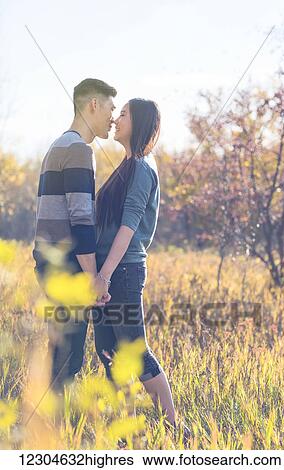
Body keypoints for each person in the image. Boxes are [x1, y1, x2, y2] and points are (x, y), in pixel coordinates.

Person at [94, 98, 181, 434]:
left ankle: (175, 429)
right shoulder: (126, 166)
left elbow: (128, 228)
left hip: (123, 272)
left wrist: (104, 276)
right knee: (108, 353)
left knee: (134, 351)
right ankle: (121, 431)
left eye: (124, 114)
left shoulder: (143, 168)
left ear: (140, 122)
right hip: (108, 272)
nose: (116, 118)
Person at [32, 78, 116, 391]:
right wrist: (93, 276)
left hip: (48, 261)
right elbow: (80, 217)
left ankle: (44, 427)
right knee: (68, 357)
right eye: (110, 107)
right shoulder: (80, 150)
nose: (112, 115)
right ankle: (49, 432)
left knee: (60, 351)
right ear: (93, 104)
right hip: (66, 266)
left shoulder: (57, 146)